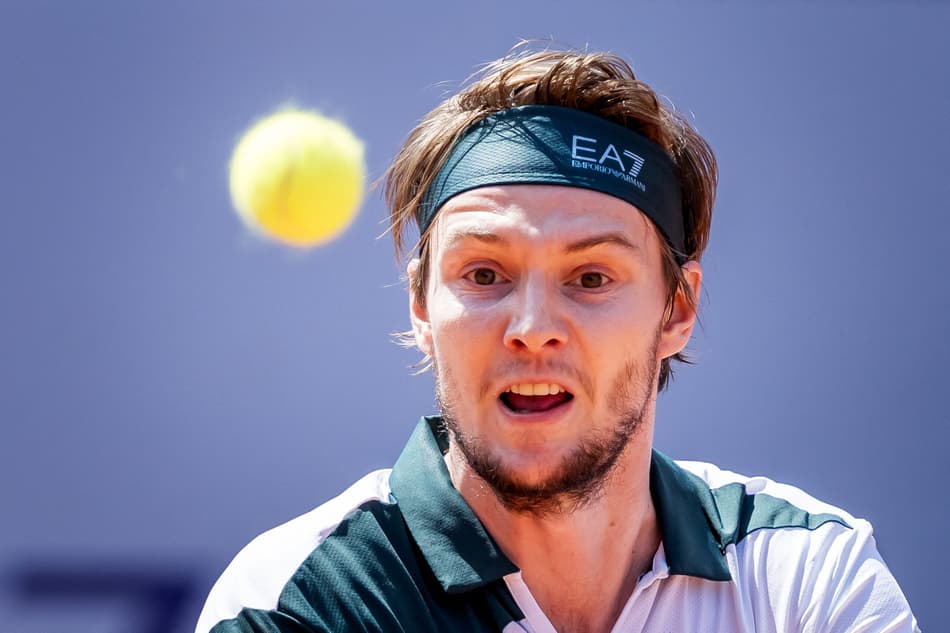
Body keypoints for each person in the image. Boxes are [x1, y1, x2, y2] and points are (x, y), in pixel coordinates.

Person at [196, 48, 919, 633]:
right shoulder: (301, 602)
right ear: (421, 302)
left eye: (592, 277)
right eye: (484, 273)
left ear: (677, 308)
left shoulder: (807, 577)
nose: (532, 326)